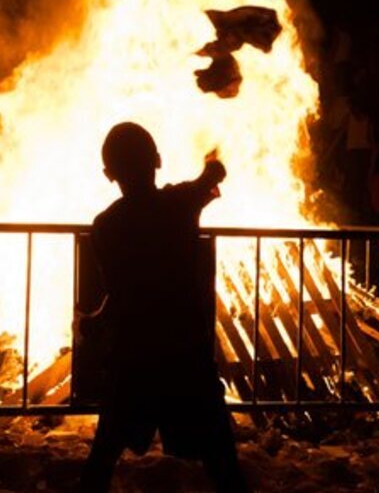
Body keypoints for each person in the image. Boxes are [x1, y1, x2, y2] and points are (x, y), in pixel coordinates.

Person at [78, 122, 249, 493]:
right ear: (157, 160)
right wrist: (213, 151)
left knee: (103, 458)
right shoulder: (180, 202)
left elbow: (121, 291)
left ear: (108, 174)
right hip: (186, 354)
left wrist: (95, 321)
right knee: (223, 464)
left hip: (134, 358)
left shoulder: (106, 226)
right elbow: (213, 174)